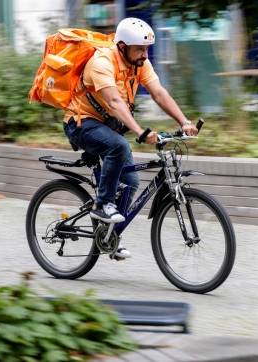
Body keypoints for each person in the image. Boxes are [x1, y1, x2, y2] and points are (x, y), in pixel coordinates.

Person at [63, 17, 198, 259]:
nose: (145, 54)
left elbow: (158, 92)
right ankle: (102, 204)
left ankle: (109, 237)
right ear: (123, 46)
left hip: (108, 126)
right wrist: (139, 131)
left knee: (130, 182)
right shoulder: (102, 62)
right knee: (118, 145)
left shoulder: (139, 63)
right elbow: (114, 101)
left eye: (147, 49)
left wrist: (184, 121)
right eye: (140, 49)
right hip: (81, 123)